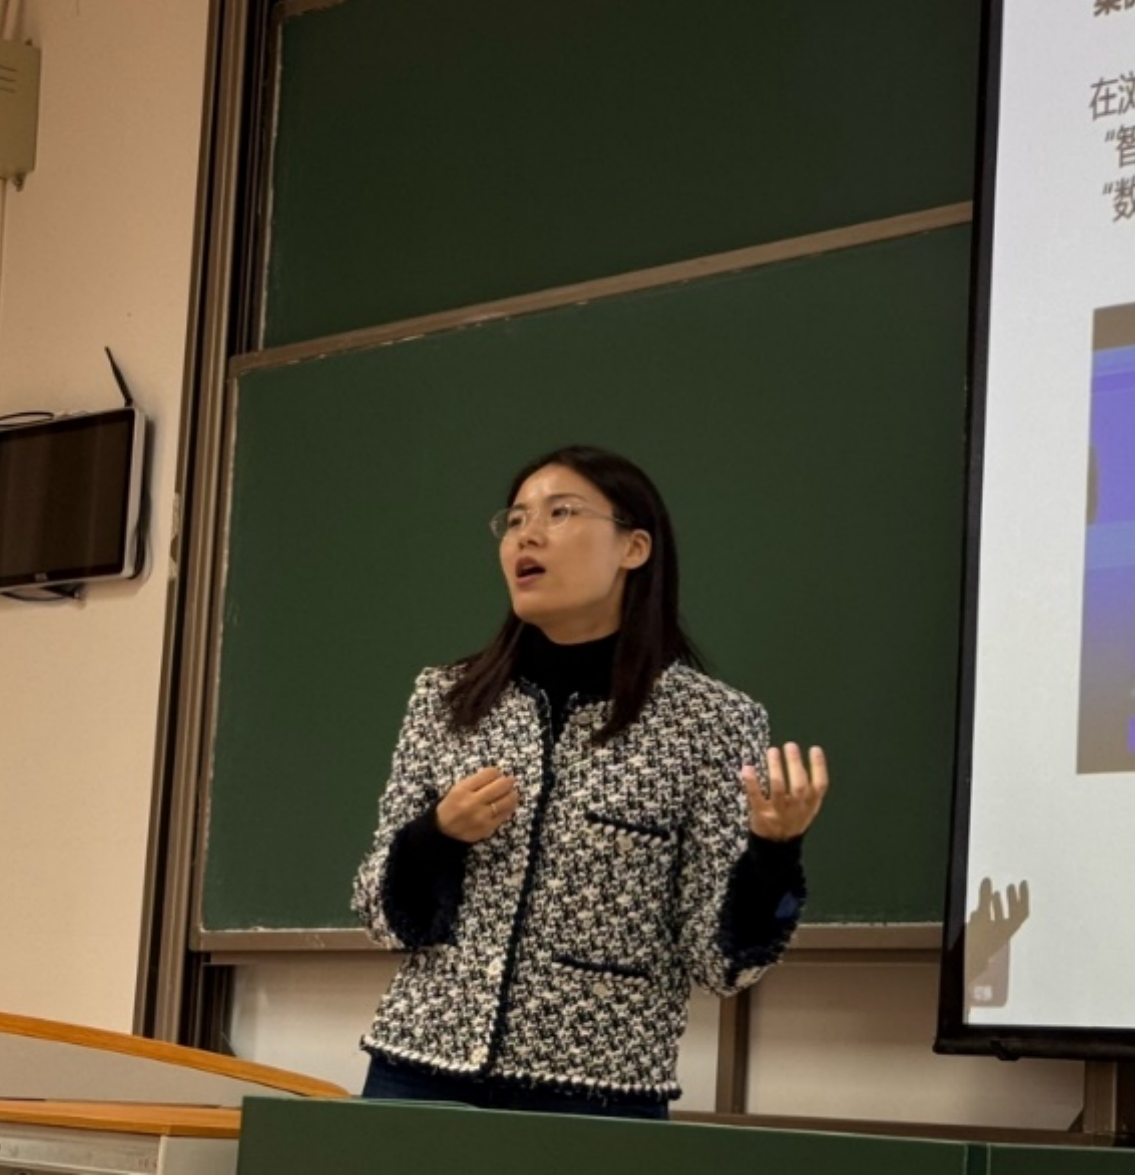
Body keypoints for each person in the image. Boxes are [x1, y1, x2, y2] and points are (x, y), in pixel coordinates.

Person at [351, 444, 827, 1118]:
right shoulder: (447, 699)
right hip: (420, 1069)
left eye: (560, 513)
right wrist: (437, 836)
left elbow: (721, 964)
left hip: (598, 1094)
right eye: (516, 520)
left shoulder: (712, 722)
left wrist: (774, 854)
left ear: (634, 548)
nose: (528, 535)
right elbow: (380, 915)